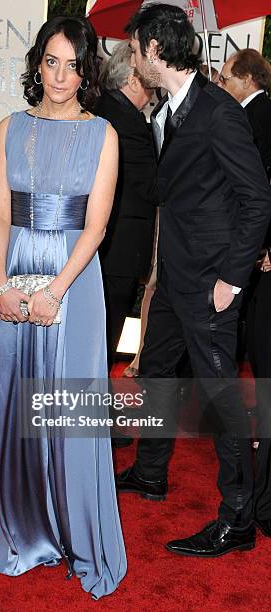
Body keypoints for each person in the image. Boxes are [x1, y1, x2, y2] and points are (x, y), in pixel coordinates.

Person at [116, 4, 271, 557]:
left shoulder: (218, 113)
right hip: (175, 278)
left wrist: (232, 278)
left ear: (156, 49)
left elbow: (258, 199)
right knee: (157, 370)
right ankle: (151, 472)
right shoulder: (171, 109)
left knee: (219, 396)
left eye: (135, 50)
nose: (133, 60)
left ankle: (238, 520)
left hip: (210, 284)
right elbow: (174, 190)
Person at [0, 16, 126, 599]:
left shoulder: (104, 134)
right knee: (14, 401)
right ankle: (25, 532)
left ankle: (78, 533)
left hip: (73, 279)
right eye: (51, 61)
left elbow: (95, 228)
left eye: (73, 64)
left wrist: (54, 292)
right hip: (13, 273)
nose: (61, 75)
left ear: (86, 70)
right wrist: (0, 286)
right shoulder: (9, 128)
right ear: (36, 64)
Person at [219, 48, 271, 538]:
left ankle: (261, 504)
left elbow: (257, 192)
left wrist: (262, 246)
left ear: (246, 78)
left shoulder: (258, 118)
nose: (219, 80)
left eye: (225, 74)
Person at [96, 41, 158, 372]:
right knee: (105, 338)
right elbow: (152, 187)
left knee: (99, 337)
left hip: (107, 248)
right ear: (132, 78)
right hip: (117, 251)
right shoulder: (128, 123)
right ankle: (91, 418)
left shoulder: (106, 109)